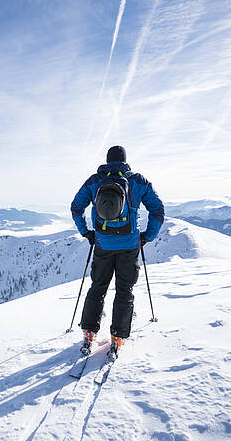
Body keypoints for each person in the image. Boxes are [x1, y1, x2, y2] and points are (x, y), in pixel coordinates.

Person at [70, 146, 164, 359]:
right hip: (129, 245)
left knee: (97, 287)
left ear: (107, 160)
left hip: (103, 244)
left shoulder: (95, 181)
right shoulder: (138, 181)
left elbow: (76, 208)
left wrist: (87, 233)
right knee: (124, 290)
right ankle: (118, 337)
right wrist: (147, 236)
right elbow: (158, 210)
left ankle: (88, 331)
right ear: (125, 160)